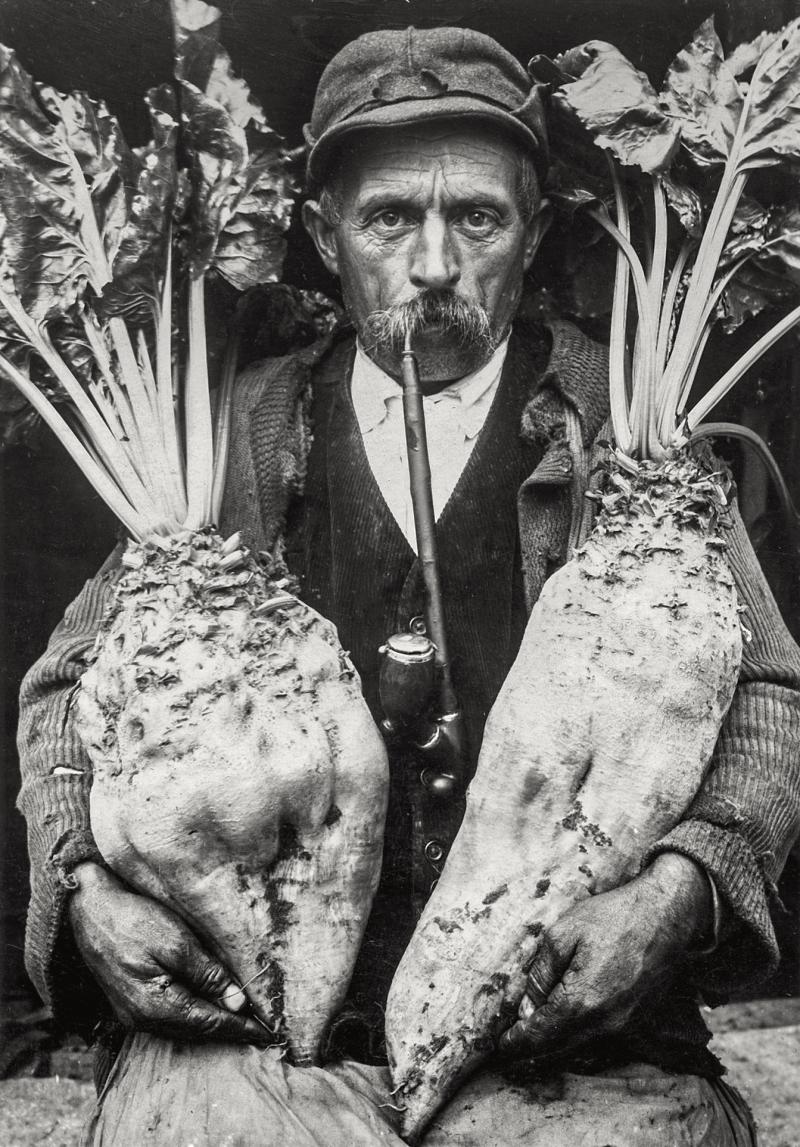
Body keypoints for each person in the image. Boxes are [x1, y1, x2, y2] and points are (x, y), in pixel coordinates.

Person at [16, 25, 800, 1145]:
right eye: (390, 218)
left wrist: (679, 888)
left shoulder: (629, 432)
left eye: (474, 217)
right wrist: (82, 885)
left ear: (530, 235)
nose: (434, 264)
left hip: (559, 1026)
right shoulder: (231, 431)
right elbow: (65, 697)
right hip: (268, 1032)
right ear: (324, 237)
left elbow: (770, 693)